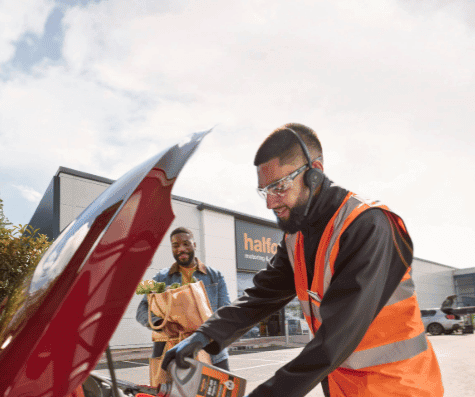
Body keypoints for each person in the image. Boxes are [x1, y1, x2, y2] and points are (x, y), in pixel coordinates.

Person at [162, 124, 444, 397]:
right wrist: (205, 334)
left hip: (398, 387)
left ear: (315, 173)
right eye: (265, 191)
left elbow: (336, 339)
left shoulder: (369, 226)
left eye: (279, 186)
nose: (270, 203)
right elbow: (262, 296)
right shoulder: (296, 235)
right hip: (342, 386)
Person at [136, 226, 231, 370]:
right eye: (176, 245)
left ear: (194, 245)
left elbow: (225, 313)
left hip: (210, 349)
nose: (181, 249)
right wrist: (162, 323)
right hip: (171, 351)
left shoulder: (215, 276)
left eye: (186, 244)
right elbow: (142, 310)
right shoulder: (161, 277)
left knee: (219, 390)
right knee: (171, 392)